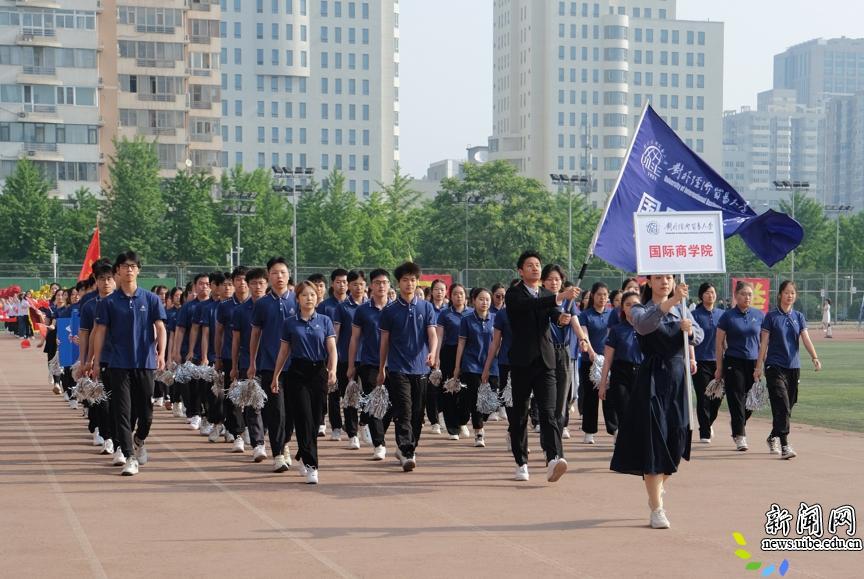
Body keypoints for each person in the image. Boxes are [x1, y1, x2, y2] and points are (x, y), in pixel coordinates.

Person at [610, 274, 703, 529]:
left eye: (670, 278)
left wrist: (691, 330)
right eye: (659, 278)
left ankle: (658, 489)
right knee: (654, 442)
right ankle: (656, 508)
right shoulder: (641, 309)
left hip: (678, 380)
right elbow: (643, 326)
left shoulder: (683, 309)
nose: (665, 281)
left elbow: (699, 336)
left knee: (677, 440)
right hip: (652, 380)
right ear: (649, 282)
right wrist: (672, 301)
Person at [504, 250, 579, 483]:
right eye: (530, 265)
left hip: (546, 361)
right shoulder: (514, 294)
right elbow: (530, 306)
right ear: (520, 270)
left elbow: (554, 312)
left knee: (549, 412)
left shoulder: (546, 294)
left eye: (537, 265)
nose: (535, 268)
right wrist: (557, 297)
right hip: (521, 362)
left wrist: (561, 318)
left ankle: (554, 458)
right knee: (520, 413)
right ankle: (521, 461)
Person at [90, 251, 167, 476]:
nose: (129, 270)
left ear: (138, 270)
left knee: (146, 413)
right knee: (121, 411)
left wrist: (161, 354)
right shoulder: (109, 302)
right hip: (117, 363)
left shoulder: (150, 299)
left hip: (145, 362)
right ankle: (129, 456)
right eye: (124, 266)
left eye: (133, 266)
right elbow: (100, 331)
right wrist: (96, 361)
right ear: (118, 272)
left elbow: (161, 327)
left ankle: (139, 439)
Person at [272, 281, 337, 484]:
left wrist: (332, 369)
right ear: (297, 298)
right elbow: (284, 351)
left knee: (316, 418)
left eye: (313, 295)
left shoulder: (325, 321)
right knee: (303, 418)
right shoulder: (290, 323)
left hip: (319, 373)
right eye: (304, 295)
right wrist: (276, 375)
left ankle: (303, 451)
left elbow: (332, 349)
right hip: (297, 373)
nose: (309, 298)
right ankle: (311, 465)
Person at [376, 262, 438, 472]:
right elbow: (384, 341)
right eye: (405, 280)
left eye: (413, 280)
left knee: (418, 414)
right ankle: (407, 449)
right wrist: (381, 367)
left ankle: (408, 447)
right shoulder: (390, 311)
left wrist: (432, 352)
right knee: (404, 409)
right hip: (397, 368)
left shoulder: (426, 307)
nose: (409, 284)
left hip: (421, 367)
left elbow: (432, 334)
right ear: (399, 282)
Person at [755, 281, 821, 459]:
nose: (789, 296)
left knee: (788, 407)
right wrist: (758, 366)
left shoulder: (798, 316)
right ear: (780, 295)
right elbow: (764, 343)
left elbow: (805, 338)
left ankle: (772, 437)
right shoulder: (771, 317)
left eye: (792, 293)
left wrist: (814, 357)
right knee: (782, 405)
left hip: (793, 367)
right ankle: (785, 446)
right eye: (786, 293)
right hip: (774, 366)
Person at [249, 257, 298, 473]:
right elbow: (255, 335)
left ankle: (285, 442)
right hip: (270, 365)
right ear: (269, 276)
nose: (279, 277)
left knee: (292, 412)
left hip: (297, 366)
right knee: (275, 411)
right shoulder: (262, 304)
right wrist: (252, 362)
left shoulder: (298, 300)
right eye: (275, 273)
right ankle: (278, 453)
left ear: (289, 275)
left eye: (283, 272)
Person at [348, 268, 393, 460]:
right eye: (377, 283)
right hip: (370, 363)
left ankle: (374, 429)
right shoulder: (363, 311)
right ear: (371, 286)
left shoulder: (395, 308)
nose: (381, 286)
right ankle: (379, 444)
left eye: (384, 282)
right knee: (375, 403)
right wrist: (351, 365)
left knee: (391, 406)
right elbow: (355, 339)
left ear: (389, 285)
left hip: (396, 364)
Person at [715, 281, 765, 451]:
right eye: (743, 294)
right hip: (733, 361)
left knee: (751, 401)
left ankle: (739, 423)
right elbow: (719, 343)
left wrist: (760, 365)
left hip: (753, 362)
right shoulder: (728, 316)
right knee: (736, 398)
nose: (747, 297)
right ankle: (740, 436)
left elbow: (764, 343)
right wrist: (719, 367)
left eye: (750, 294)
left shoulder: (759, 315)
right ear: (736, 296)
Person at [541, 265, 587, 441]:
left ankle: (556, 439)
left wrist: (583, 340)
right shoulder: (539, 299)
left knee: (562, 400)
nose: (554, 282)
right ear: (543, 282)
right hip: (545, 352)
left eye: (557, 279)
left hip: (563, 353)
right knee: (547, 401)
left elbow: (575, 323)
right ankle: (547, 439)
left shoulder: (568, 303)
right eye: (550, 279)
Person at [77, 261, 117, 456]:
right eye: (102, 278)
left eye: (110, 278)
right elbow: (87, 334)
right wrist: (86, 359)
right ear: (96, 280)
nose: (107, 282)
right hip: (103, 359)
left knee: (125, 403)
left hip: (126, 359)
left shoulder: (129, 301)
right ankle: (108, 436)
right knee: (103, 400)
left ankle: (119, 435)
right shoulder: (90, 306)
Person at [231, 268, 269, 461]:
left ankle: (276, 440)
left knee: (272, 406)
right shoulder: (240, 311)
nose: (257, 287)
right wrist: (235, 365)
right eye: (253, 283)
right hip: (249, 363)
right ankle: (258, 443)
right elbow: (236, 340)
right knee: (254, 404)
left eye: (261, 282)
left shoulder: (275, 306)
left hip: (273, 363)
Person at [453, 287, 497, 447]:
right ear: (473, 300)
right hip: (471, 365)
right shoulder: (467, 319)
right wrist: (457, 367)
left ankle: (472, 417)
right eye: (481, 299)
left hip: (492, 365)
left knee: (492, 400)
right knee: (476, 398)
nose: (484, 302)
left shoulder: (495, 319)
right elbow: (462, 343)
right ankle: (479, 432)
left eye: (487, 299)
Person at [597, 291, 643, 442]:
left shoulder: (647, 329)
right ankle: (625, 444)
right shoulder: (617, 330)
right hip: (621, 373)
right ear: (622, 308)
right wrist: (603, 384)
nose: (631, 308)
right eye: (628, 305)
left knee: (639, 411)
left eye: (635, 304)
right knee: (624, 411)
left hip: (642, 373)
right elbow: (608, 359)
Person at [330, 270, 367, 448]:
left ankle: (364, 423)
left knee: (370, 394)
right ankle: (352, 433)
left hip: (369, 358)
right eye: (354, 284)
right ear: (349, 286)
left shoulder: (371, 306)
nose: (358, 287)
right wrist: (333, 357)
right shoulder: (342, 308)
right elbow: (335, 333)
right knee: (350, 396)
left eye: (361, 284)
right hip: (347, 357)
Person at [215, 267, 249, 451]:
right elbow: (219, 333)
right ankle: (237, 433)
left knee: (252, 395)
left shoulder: (257, 305)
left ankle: (250, 427)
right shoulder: (225, 306)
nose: (242, 283)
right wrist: (218, 356)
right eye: (238, 279)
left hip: (254, 358)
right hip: (230, 356)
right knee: (233, 396)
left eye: (245, 279)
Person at [172, 273, 210, 429]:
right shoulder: (188, 307)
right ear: (195, 286)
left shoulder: (216, 305)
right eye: (201, 283)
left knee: (207, 386)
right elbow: (180, 329)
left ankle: (209, 416)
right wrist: (176, 350)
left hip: (211, 353)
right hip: (191, 352)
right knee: (192, 385)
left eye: (208, 283)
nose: (205, 287)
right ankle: (195, 413)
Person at [435, 284, 472, 439]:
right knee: (450, 389)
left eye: (461, 293)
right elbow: (440, 336)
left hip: (468, 354)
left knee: (466, 390)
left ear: (466, 296)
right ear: (450, 296)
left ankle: (463, 420)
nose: (459, 296)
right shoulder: (445, 314)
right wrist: (436, 356)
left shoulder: (471, 313)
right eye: (455, 294)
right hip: (449, 353)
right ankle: (453, 428)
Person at [690, 282, 723, 444]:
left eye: (713, 292)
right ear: (701, 295)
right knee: (704, 396)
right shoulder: (695, 315)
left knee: (717, 397)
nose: (711, 295)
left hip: (719, 362)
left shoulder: (723, 314)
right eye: (707, 292)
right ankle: (704, 432)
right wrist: (691, 358)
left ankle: (708, 423)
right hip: (701, 360)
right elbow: (689, 338)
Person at [578, 282, 611, 444]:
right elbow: (584, 334)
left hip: (608, 361)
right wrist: (591, 353)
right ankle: (589, 431)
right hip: (590, 362)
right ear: (593, 295)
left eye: (605, 295)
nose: (602, 298)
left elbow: (613, 336)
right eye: (599, 295)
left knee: (609, 396)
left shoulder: (611, 314)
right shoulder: (586, 315)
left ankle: (614, 429)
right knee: (591, 397)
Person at [425, 279, 448, 432]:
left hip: (447, 353)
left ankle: (442, 414)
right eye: (436, 289)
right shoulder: (428, 309)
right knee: (431, 388)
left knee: (444, 387)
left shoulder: (448, 310)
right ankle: (434, 421)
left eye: (442, 289)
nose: (439, 292)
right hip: (430, 352)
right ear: (431, 292)